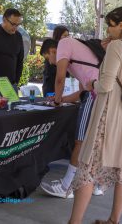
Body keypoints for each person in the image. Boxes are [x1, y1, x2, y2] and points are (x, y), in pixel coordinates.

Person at [68, 6, 122, 224]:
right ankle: (114, 220)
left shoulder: (117, 46)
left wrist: (91, 83)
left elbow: (105, 85)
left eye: (110, 26)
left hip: (108, 113)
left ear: (121, 25)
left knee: (88, 166)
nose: (108, 30)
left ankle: (74, 222)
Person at [40, 36, 110, 198]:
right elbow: (81, 92)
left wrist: (57, 101)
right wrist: (61, 99)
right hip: (103, 95)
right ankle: (96, 184)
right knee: (96, 141)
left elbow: (59, 79)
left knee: (80, 141)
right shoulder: (79, 53)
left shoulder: (64, 44)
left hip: (94, 96)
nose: (50, 63)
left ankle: (67, 187)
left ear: (52, 51)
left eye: (48, 58)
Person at [42, 25, 69, 97]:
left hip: (64, 87)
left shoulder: (66, 50)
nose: (67, 38)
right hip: (51, 86)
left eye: (68, 36)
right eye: (65, 35)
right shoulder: (52, 49)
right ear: (58, 36)